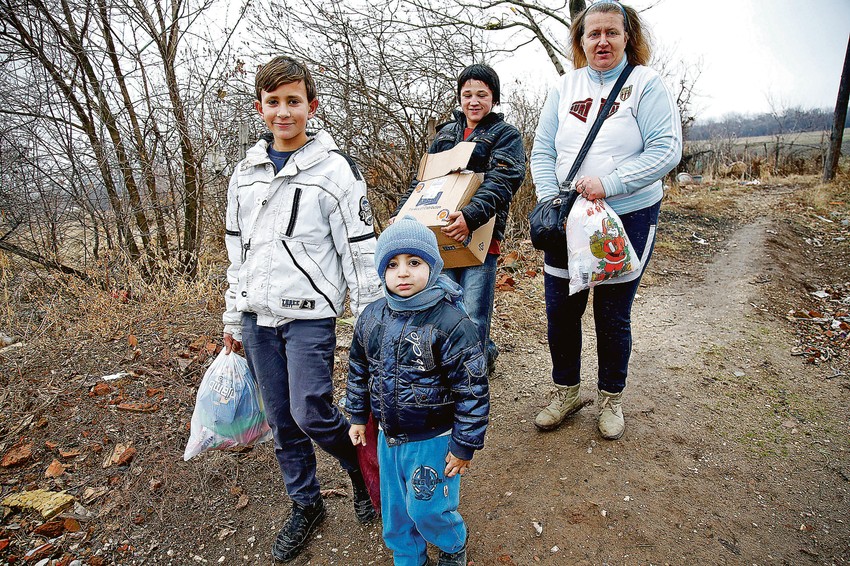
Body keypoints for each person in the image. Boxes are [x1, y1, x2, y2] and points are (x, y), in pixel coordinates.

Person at [221, 55, 384, 562]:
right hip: (257, 317)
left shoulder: (335, 170)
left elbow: (359, 247)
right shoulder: (245, 174)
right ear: (260, 108)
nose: (284, 112)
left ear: (312, 106)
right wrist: (233, 316)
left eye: (294, 101)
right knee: (280, 419)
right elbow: (237, 251)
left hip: (310, 312)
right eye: (274, 103)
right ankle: (305, 503)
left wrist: (371, 317)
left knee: (309, 409)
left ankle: (359, 467)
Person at [529, 1, 682, 439]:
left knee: (612, 313)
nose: (602, 41)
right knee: (561, 310)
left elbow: (666, 150)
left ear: (627, 38)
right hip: (569, 214)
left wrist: (610, 182)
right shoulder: (563, 87)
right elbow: (543, 152)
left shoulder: (645, 84)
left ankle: (611, 399)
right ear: (580, 41)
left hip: (628, 213)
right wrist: (549, 199)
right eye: (592, 33)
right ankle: (567, 392)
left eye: (611, 32)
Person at [346, 216, 490, 566]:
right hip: (388, 437)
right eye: (392, 265)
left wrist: (464, 444)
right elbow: (358, 368)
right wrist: (355, 416)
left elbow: (472, 388)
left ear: (433, 266)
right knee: (396, 511)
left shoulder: (450, 322)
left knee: (428, 506)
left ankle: (453, 544)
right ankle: (408, 555)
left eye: (414, 262)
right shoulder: (372, 317)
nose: (403, 272)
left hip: (432, 439)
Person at [392, 64, 526, 377]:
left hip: (479, 238)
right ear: (459, 97)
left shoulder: (505, 136)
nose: (474, 101)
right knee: (444, 308)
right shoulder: (445, 135)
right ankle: (466, 361)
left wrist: (470, 215)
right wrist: (403, 215)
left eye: (482, 94)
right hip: (441, 237)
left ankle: (471, 378)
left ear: (494, 98)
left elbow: (503, 180)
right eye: (467, 94)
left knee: (474, 313)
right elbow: (423, 182)